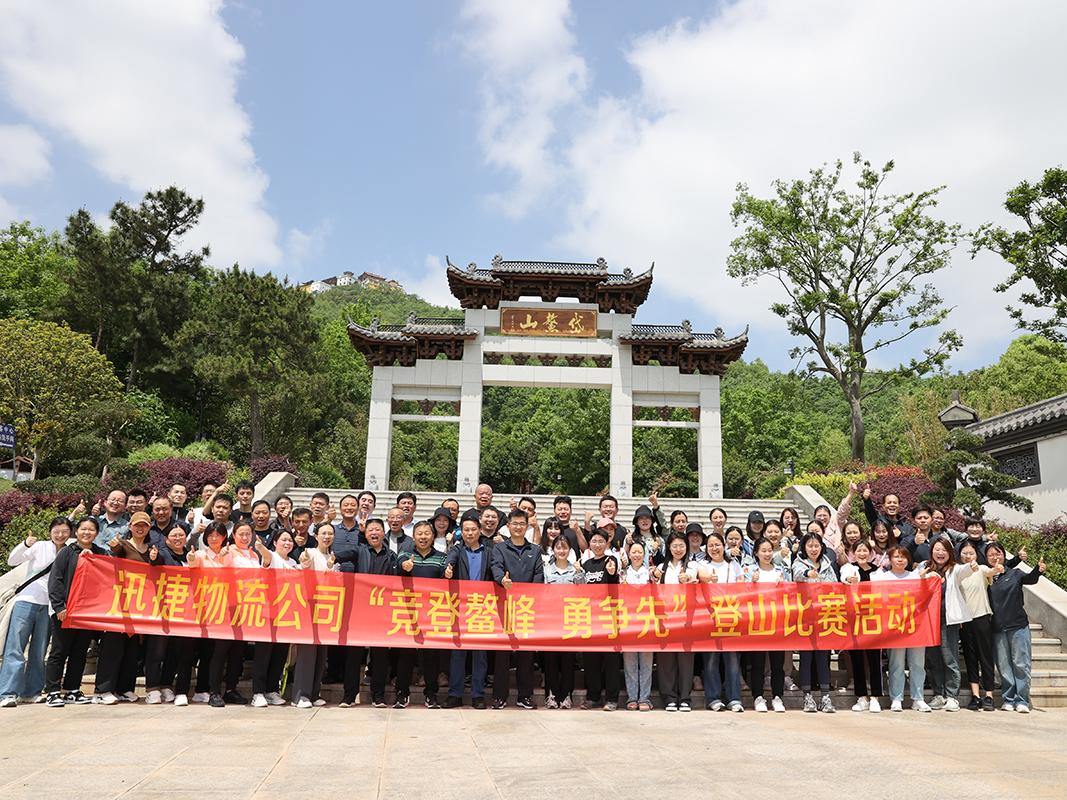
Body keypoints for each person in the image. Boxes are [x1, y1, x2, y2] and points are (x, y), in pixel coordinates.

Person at [0, 517, 72, 707]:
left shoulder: (69, 551)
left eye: (65, 531)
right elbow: (12, 560)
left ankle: (31, 692)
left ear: (70, 533)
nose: (60, 535)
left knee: (39, 650)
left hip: (49, 606)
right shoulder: (40, 546)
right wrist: (25, 544)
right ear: (50, 532)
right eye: (56, 531)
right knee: (15, 648)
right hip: (27, 600)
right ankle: (7, 693)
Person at [44, 517, 108, 707]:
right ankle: (52, 691)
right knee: (59, 651)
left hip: (87, 613)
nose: (87, 533)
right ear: (76, 532)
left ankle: (72, 690)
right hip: (65, 611)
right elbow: (55, 580)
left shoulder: (101, 553)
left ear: (97, 533)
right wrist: (59, 606)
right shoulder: (67, 552)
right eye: (83, 529)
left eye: (91, 530)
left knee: (80, 652)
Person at [489, 509, 544, 709]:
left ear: (527, 526)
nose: (518, 527)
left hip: (527, 608)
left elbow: (538, 575)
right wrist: (501, 580)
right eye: (515, 523)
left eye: (522, 523)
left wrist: (530, 595)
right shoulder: (500, 548)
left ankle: (525, 696)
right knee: (502, 655)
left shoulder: (535, 550)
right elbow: (496, 567)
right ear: (508, 526)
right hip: (504, 607)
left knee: (526, 655)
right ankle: (499, 696)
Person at [203, 519, 261, 707]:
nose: (244, 537)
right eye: (241, 534)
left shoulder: (254, 554)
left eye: (248, 534)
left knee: (238, 651)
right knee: (221, 650)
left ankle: (231, 689)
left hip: (246, 608)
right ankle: (214, 692)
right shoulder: (227, 552)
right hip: (226, 606)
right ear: (233, 535)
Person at [986, 542, 1046, 713]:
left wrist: (1038, 570)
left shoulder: (1015, 573)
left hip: (1017, 625)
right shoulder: (986, 577)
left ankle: (1022, 700)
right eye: (990, 555)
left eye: (998, 553)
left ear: (1004, 556)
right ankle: (1008, 699)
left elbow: (1030, 579)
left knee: (1021, 663)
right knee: (1003, 665)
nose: (995, 557)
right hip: (997, 627)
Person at [394, 521, 449, 709]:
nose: (423, 537)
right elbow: (398, 565)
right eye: (419, 533)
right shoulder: (405, 554)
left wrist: (448, 574)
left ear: (433, 537)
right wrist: (405, 566)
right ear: (413, 537)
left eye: (427, 533)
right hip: (408, 612)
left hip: (432, 613)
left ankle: (431, 694)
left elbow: (445, 578)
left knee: (431, 656)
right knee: (406, 655)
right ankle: (402, 693)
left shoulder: (441, 557)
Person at [872, 546, 931, 712]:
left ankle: (918, 698)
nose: (900, 560)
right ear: (890, 559)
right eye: (896, 556)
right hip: (894, 627)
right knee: (896, 663)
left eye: (903, 557)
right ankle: (896, 698)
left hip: (915, 626)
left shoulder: (915, 577)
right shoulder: (883, 578)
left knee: (917, 663)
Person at [144, 525, 197, 706]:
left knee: (175, 651)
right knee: (157, 650)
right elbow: (155, 561)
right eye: (173, 535)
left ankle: (166, 684)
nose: (177, 538)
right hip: (163, 610)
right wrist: (153, 558)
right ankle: (152, 688)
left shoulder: (190, 555)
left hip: (184, 612)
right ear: (166, 539)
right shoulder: (163, 553)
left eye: (181, 535)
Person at [445, 516, 492, 709]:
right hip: (460, 608)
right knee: (458, 653)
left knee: (480, 655)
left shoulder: (488, 552)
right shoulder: (457, 550)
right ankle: (454, 694)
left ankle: (478, 695)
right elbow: (449, 561)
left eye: (473, 529)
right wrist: (448, 569)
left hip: (482, 608)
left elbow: (495, 570)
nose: (470, 533)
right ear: (461, 532)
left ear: (479, 531)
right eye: (466, 530)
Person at [921, 537, 972, 712]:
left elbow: (965, 570)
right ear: (931, 551)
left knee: (949, 658)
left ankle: (952, 696)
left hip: (947, 620)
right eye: (937, 549)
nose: (940, 553)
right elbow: (914, 580)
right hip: (929, 621)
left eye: (944, 550)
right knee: (933, 658)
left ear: (950, 553)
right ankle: (938, 694)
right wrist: (925, 575)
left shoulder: (954, 569)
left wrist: (971, 565)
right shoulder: (924, 567)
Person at [694, 531, 744, 712]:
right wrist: (708, 579)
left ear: (724, 546)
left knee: (732, 660)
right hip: (710, 618)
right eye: (710, 546)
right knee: (711, 660)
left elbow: (742, 587)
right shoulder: (703, 565)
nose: (714, 548)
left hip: (731, 616)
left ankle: (734, 698)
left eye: (717, 545)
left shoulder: (734, 565)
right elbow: (700, 577)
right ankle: (713, 698)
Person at [791, 531, 838, 713]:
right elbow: (797, 575)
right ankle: (807, 696)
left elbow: (835, 585)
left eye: (816, 545)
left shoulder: (827, 564)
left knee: (823, 657)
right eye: (809, 545)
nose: (813, 549)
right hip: (805, 617)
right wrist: (808, 573)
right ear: (804, 547)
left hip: (824, 616)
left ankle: (825, 696)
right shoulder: (799, 563)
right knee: (806, 656)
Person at [354, 519, 398, 707]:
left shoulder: (391, 556)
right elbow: (342, 557)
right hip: (360, 610)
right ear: (365, 534)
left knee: (380, 655)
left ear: (383, 533)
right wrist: (333, 559)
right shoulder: (359, 551)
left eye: (377, 529)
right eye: (370, 529)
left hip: (383, 611)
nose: (374, 532)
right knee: (354, 653)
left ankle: (378, 696)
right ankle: (349, 695)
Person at [249, 531, 297, 708]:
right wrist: (261, 548)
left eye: (290, 540)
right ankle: (258, 693)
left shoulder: (293, 563)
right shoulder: (271, 557)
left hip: (286, 614)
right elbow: (267, 556)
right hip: (268, 613)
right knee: (263, 654)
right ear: (275, 542)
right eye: (283, 540)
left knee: (279, 655)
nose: (287, 543)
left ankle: (271, 691)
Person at [652, 531, 698, 712]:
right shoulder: (661, 567)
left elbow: (696, 578)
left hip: (686, 619)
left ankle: (685, 697)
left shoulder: (692, 565)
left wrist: (689, 579)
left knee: (686, 660)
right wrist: (654, 577)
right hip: (666, 618)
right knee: (666, 660)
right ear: (669, 548)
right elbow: (654, 590)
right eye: (674, 546)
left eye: (681, 546)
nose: (678, 549)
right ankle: (669, 697)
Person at [293, 524, 338, 709]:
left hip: (326, 609)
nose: (327, 536)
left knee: (321, 654)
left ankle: (313, 693)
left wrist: (331, 567)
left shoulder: (332, 557)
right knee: (307, 653)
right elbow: (303, 566)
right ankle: (300, 695)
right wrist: (304, 561)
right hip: (308, 607)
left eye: (330, 533)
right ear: (316, 536)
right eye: (323, 533)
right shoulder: (310, 553)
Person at [580, 528, 621, 711]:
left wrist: (611, 573)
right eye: (594, 541)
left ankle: (612, 698)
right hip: (590, 617)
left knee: (611, 660)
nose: (597, 545)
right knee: (591, 660)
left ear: (607, 543)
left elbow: (614, 582)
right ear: (590, 543)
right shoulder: (586, 564)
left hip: (608, 617)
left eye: (601, 542)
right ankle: (593, 696)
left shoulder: (611, 560)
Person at [839, 540, 883, 713]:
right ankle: (861, 696)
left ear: (871, 553)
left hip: (873, 619)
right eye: (859, 550)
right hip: (854, 618)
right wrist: (849, 581)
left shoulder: (878, 571)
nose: (862, 554)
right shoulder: (849, 568)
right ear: (853, 553)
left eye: (865, 550)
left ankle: (875, 697)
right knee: (856, 658)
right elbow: (844, 579)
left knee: (874, 660)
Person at [745, 537, 788, 713]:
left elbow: (791, 592)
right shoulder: (750, 571)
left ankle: (778, 696)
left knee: (778, 663)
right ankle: (758, 697)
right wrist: (751, 583)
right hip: (757, 622)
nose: (767, 554)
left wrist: (784, 584)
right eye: (763, 550)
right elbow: (741, 594)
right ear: (756, 553)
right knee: (758, 663)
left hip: (777, 622)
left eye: (770, 550)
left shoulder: (781, 570)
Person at [543, 535, 584, 709]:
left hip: (569, 620)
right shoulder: (546, 570)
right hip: (550, 621)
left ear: (570, 550)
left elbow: (583, 592)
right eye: (558, 547)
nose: (561, 551)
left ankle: (567, 695)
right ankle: (551, 695)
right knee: (550, 659)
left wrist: (579, 572)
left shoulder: (575, 570)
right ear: (553, 550)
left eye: (565, 547)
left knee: (568, 660)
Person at [957, 540, 997, 711]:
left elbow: (991, 571)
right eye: (965, 553)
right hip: (964, 621)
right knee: (970, 657)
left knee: (985, 656)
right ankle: (975, 696)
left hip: (982, 617)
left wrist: (997, 568)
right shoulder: (957, 571)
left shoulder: (981, 569)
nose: (968, 556)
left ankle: (989, 695)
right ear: (960, 555)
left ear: (976, 555)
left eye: (971, 553)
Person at [620, 540, 653, 711]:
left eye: (640, 552)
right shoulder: (622, 573)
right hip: (628, 622)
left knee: (646, 662)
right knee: (630, 662)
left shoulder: (651, 573)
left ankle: (644, 698)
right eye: (634, 552)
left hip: (647, 622)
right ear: (629, 554)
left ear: (644, 554)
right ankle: (632, 697)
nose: (637, 555)